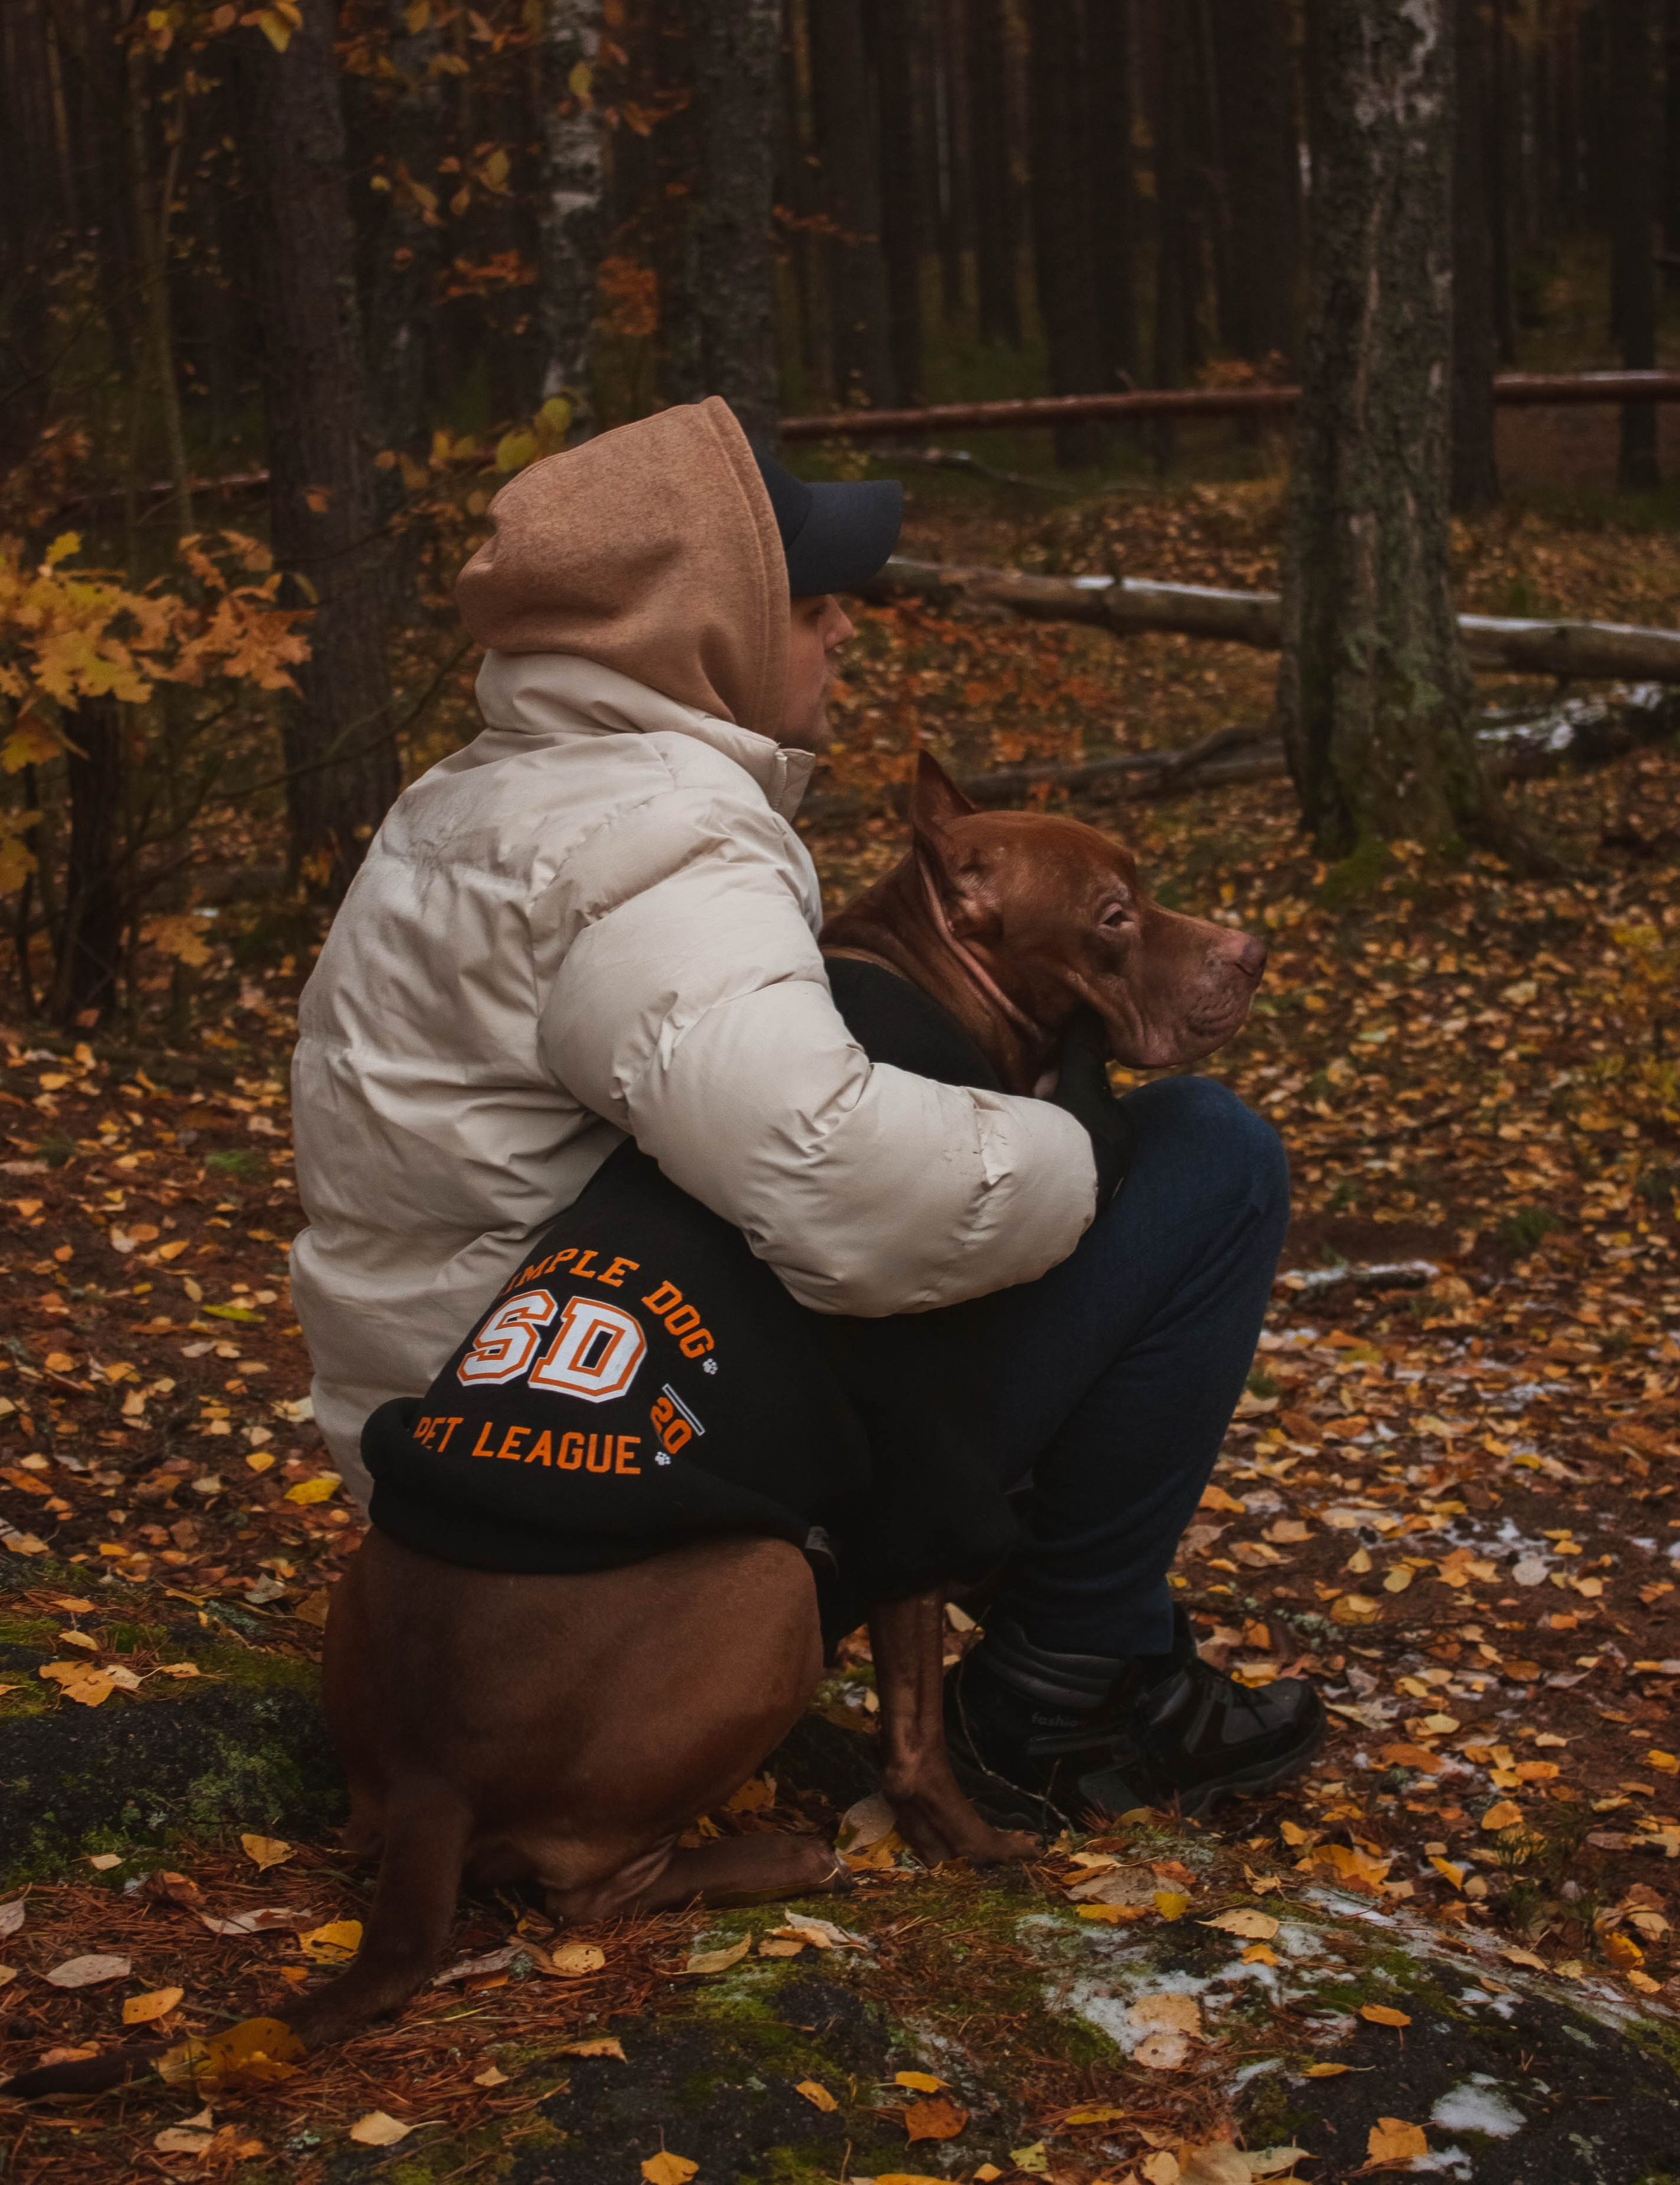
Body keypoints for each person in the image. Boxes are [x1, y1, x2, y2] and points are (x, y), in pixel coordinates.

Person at [291, 396, 1320, 1821]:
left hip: (461, 1483)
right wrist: (1072, 1147)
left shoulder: (462, 805)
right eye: (812, 604)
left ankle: (1112, 1644)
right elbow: (840, 1186)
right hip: (619, 1515)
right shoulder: (661, 842)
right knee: (1205, 1160)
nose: (847, 631)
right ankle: (1066, 1685)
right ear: (689, 630)